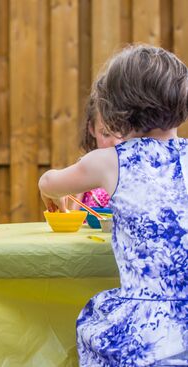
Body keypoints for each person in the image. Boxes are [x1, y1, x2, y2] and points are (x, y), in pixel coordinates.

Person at [38, 45, 188, 365]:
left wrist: (53, 193)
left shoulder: (110, 161)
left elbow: (48, 183)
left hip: (148, 335)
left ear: (116, 109)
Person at [72, 97, 123, 209]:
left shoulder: (141, 172)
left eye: (124, 132)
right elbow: (71, 215)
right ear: (91, 128)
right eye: (105, 133)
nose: (116, 142)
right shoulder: (86, 168)